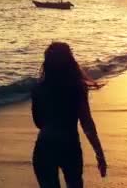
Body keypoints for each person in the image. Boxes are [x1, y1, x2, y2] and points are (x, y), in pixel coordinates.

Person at [31, 42, 107, 187]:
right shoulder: (77, 88)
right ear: (70, 61)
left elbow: (38, 122)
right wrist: (99, 154)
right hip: (69, 145)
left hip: (44, 147)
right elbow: (87, 124)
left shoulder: (38, 89)